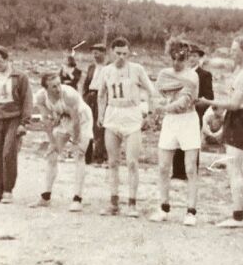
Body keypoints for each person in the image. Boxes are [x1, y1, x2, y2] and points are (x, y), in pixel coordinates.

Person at [198, 36, 243, 228]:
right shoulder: (240, 70)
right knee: (237, 167)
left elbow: (234, 104)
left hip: (241, 118)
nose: (231, 53)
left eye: (235, 50)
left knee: (234, 168)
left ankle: (237, 216)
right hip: (236, 118)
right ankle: (241, 208)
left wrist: (209, 102)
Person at [97, 37, 159, 217]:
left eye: (125, 53)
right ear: (111, 52)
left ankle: (132, 203)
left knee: (132, 162)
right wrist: (101, 115)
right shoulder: (106, 71)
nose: (121, 57)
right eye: (118, 53)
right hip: (113, 114)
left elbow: (151, 91)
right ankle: (113, 202)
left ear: (129, 53)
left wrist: (148, 112)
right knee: (113, 161)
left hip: (131, 115)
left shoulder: (137, 69)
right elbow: (101, 94)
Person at [150, 39, 201, 225]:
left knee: (190, 168)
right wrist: (170, 99)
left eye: (180, 58)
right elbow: (159, 90)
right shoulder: (164, 73)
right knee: (163, 166)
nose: (176, 62)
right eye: (173, 58)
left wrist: (164, 108)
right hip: (170, 122)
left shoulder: (193, 76)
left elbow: (185, 101)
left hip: (188, 120)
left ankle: (191, 211)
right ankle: (163, 207)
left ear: (187, 58)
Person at [32, 73, 91, 212]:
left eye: (59, 84)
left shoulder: (69, 95)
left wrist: (76, 141)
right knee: (51, 155)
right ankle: (46, 196)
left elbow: (76, 121)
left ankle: (77, 198)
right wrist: (52, 142)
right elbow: (46, 120)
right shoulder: (40, 97)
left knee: (79, 155)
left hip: (82, 121)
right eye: (53, 86)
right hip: (64, 120)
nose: (58, 88)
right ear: (46, 88)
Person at [0, 45, 32, 203]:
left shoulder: (20, 77)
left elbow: (27, 99)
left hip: (13, 118)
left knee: (8, 153)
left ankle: (8, 189)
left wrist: (24, 122)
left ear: (7, 60)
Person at [171, 44, 213, 181]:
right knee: (177, 140)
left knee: (192, 143)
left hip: (194, 112)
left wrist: (197, 108)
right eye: (190, 56)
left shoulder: (205, 75)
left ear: (200, 58)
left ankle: (192, 173)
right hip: (179, 111)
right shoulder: (180, 72)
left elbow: (209, 96)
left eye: (195, 56)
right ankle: (177, 172)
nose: (192, 59)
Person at [81, 43, 108, 164]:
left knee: (100, 127)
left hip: (102, 97)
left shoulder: (109, 67)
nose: (95, 55)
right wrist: (85, 96)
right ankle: (88, 156)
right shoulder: (91, 67)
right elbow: (86, 82)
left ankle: (100, 156)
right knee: (87, 125)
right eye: (93, 53)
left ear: (104, 53)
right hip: (90, 97)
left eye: (97, 53)